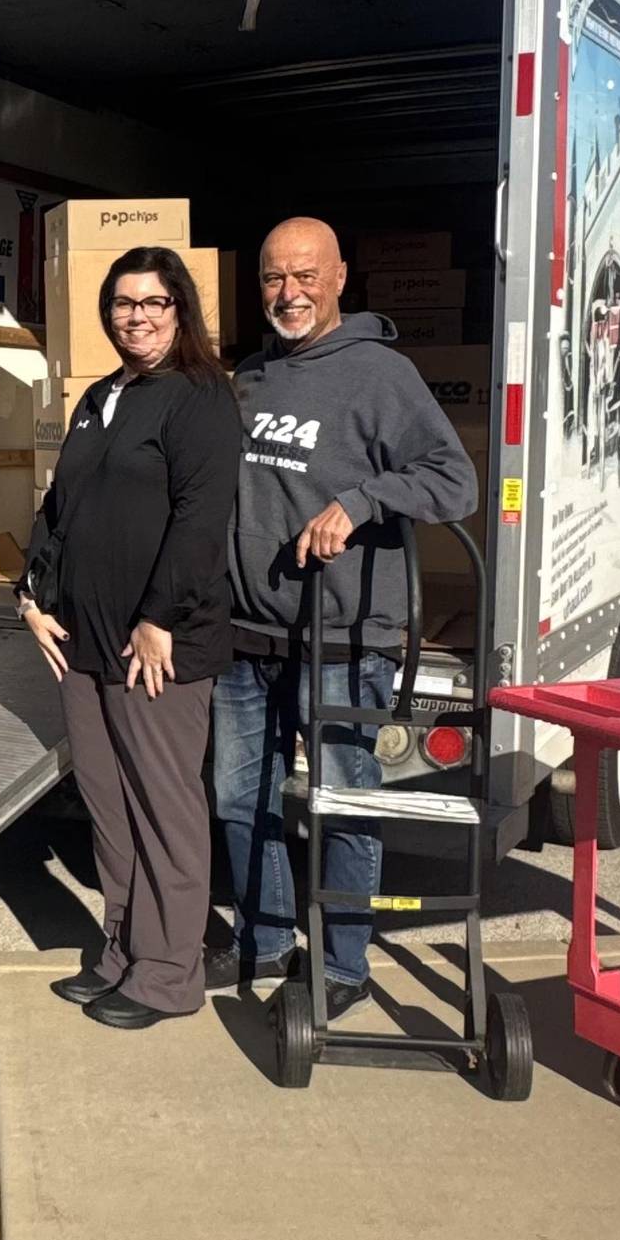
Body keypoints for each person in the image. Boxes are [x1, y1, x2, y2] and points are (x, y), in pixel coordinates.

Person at [208, 216, 477, 1017]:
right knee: (237, 795)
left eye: (303, 276)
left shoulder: (381, 375)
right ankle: (264, 938)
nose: (286, 293)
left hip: (343, 638)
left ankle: (344, 961)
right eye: (271, 279)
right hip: (249, 632)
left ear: (338, 279)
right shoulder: (250, 375)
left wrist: (361, 502)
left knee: (343, 801)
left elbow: (453, 478)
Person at [17, 246, 240, 1029]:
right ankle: (123, 949)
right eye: (122, 303)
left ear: (180, 309)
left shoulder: (201, 398)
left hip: (160, 647)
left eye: (152, 301)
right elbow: (59, 507)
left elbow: (201, 520)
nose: (135, 316)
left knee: (164, 810)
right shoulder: (101, 396)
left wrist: (157, 618)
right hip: (84, 643)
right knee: (109, 808)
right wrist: (30, 591)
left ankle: (172, 971)